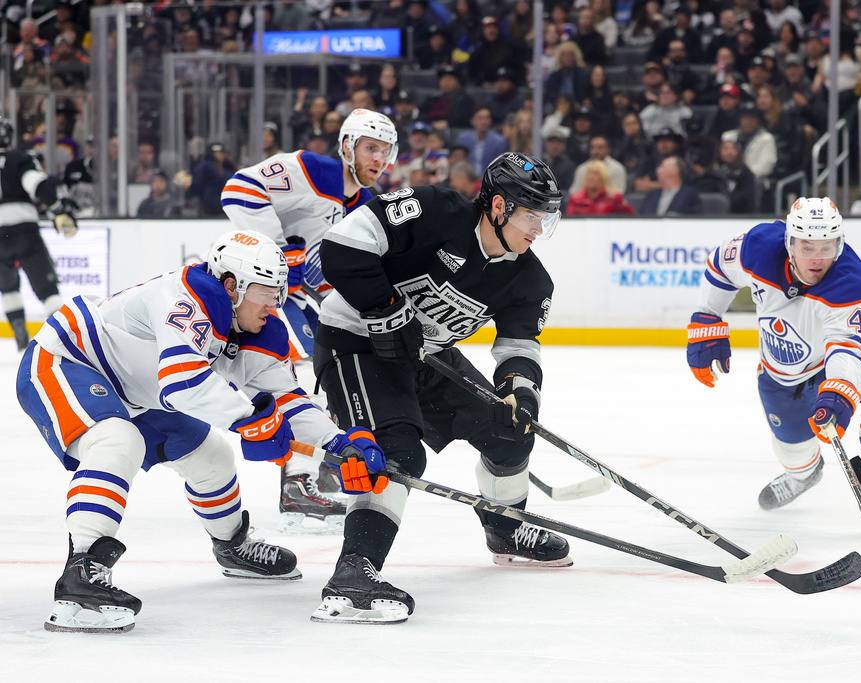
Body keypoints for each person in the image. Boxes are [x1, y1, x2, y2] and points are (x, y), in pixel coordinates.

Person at [15, 230, 389, 633]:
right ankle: (82, 574)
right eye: (266, 292)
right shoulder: (189, 296)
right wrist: (250, 418)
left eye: (279, 292)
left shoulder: (253, 326)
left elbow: (286, 398)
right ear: (232, 285)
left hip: (139, 392)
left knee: (212, 455)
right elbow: (183, 382)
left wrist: (337, 442)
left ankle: (232, 546)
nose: (275, 304)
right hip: (65, 360)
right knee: (116, 441)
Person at [310, 153, 572, 624]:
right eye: (531, 215)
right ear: (497, 205)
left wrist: (520, 391)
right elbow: (340, 246)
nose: (538, 229)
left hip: (426, 354)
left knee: (510, 429)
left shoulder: (529, 279)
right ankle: (354, 571)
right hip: (356, 342)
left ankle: (506, 530)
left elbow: (519, 346)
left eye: (545, 218)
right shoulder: (434, 210)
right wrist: (384, 305)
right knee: (397, 453)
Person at [687, 197, 861, 536]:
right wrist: (708, 314)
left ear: (839, 243)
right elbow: (719, 265)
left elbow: (848, 347)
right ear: (789, 242)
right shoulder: (758, 247)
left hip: (842, 349)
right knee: (795, 456)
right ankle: (803, 474)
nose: (817, 259)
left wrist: (839, 391)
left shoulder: (850, 279)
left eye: (827, 247)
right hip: (786, 370)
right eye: (807, 247)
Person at [221, 109, 399, 531]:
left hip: (299, 300)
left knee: (325, 374)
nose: (378, 159)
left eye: (385, 151)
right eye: (370, 148)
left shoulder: (367, 205)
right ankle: (298, 482)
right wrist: (280, 250)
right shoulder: (317, 170)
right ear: (346, 147)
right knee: (290, 379)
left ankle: (316, 467)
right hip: (258, 295)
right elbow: (238, 188)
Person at [1, 117, 77, 352]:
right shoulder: (19, 160)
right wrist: (58, 210)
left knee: (8, 287)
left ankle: (20, 336)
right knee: (47, 290)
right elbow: (39, 185)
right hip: (24, 229)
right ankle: (62, 338)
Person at [567, 159, 636, 216]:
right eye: (589, 174)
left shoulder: (614, 198)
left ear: (603, 177)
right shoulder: (575, 199)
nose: (591, 177)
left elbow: (630, 218)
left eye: (596, 174)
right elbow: (570, 221)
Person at [638, 156, 702, 216]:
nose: (658, 170)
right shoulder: (652, 195)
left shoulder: (690, 195)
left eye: (663, 166)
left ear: (676, 171)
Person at [456, 107, 509, 177]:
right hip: (466, 177)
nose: (484, 122)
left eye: (487, 118)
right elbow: (460, 161)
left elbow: (499, 166)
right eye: (480, 118)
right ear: (472, 120)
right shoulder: (463, 138)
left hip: (488, 178)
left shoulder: (499, 141)